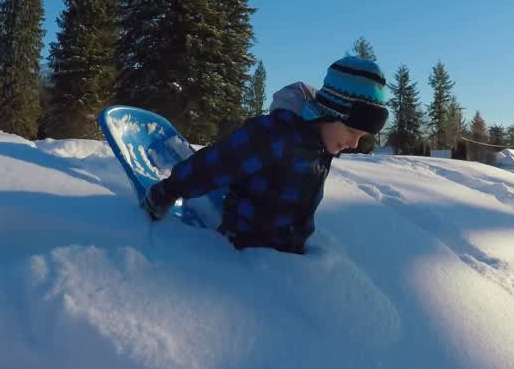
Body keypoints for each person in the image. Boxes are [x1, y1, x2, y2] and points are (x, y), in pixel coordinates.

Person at [141, 55, 389, 255]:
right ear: (328, 113)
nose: (354, 143)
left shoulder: (320, 144)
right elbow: (216, 163)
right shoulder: (276, 136)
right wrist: (168, 191)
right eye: (351, 131)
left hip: (286, 256)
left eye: (362, 136)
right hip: (242, 254)